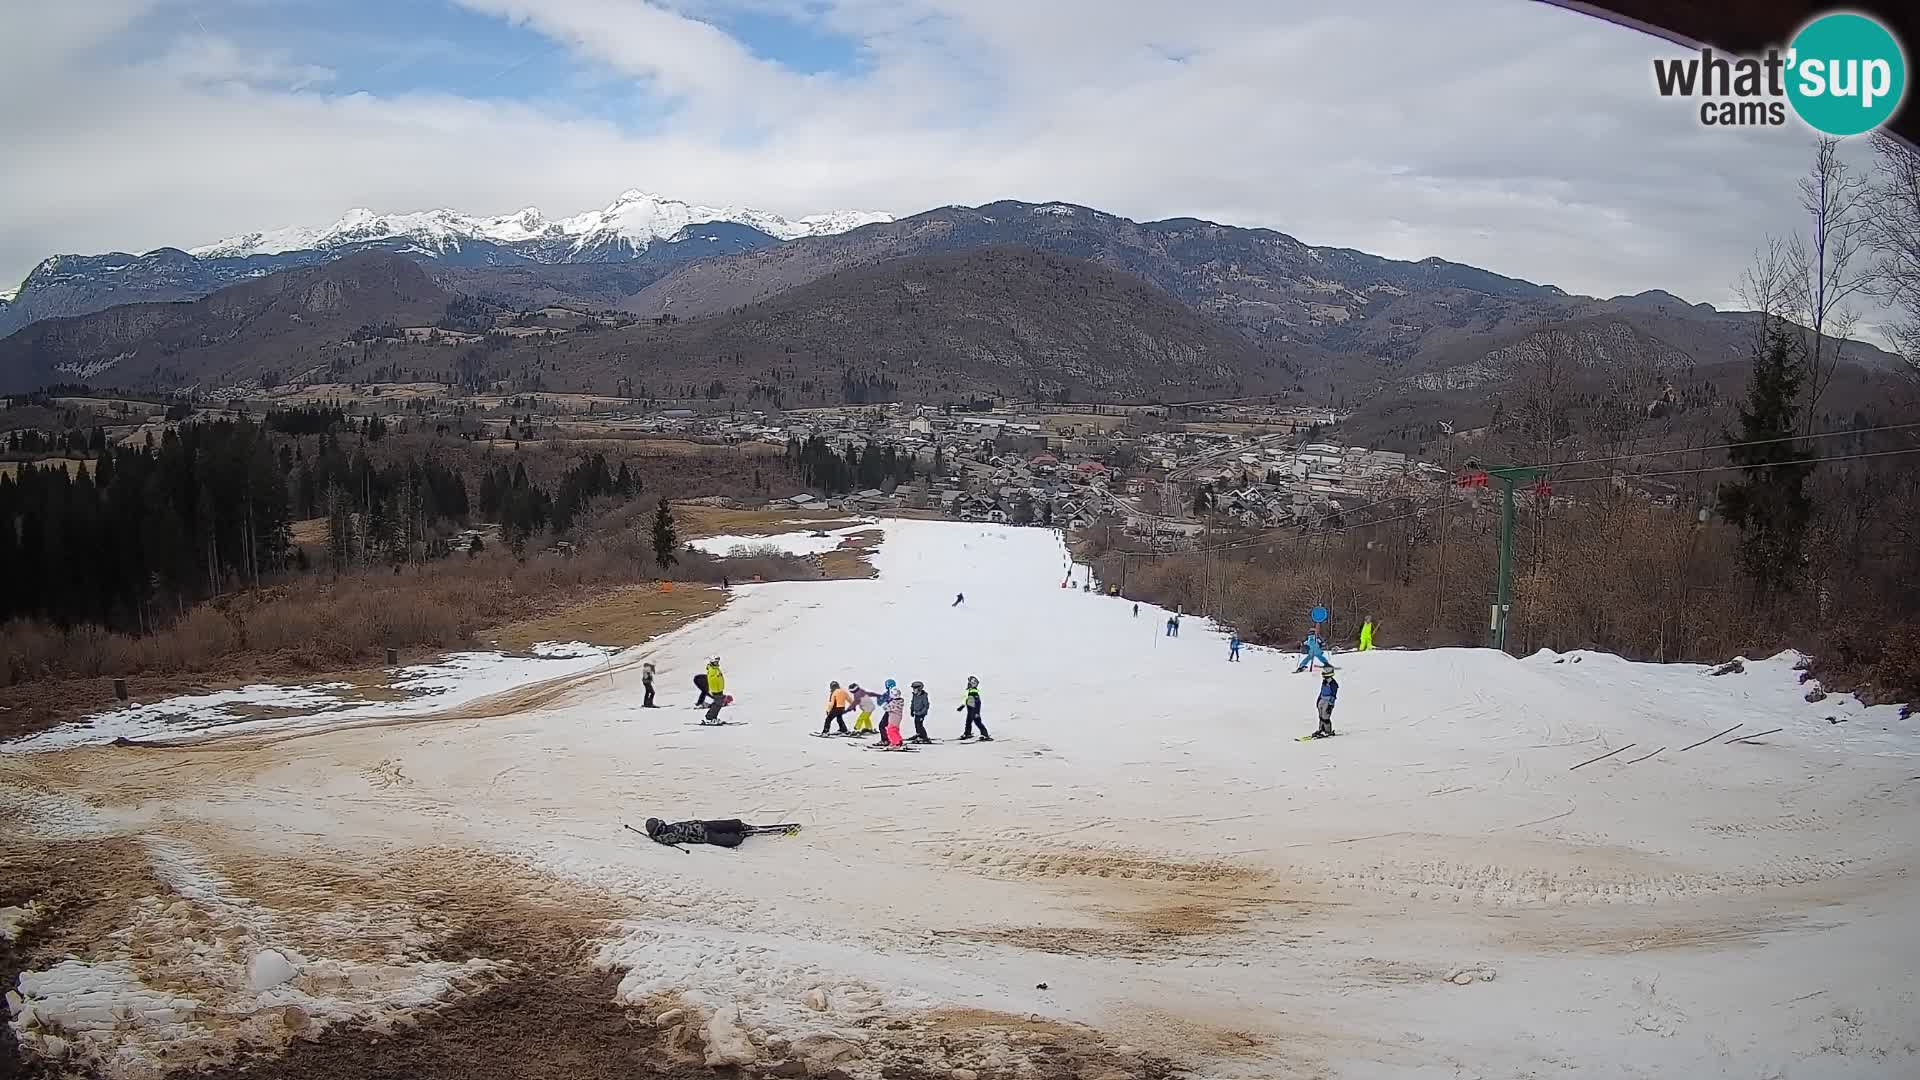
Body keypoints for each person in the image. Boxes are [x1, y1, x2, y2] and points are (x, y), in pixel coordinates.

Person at [642, 817, 796, 850]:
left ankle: (740, 826)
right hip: (704, 834)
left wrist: (654, 837)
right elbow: (666, 840)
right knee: (729, 840)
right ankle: (741, 834)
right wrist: (656, 838)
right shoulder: (669, 836)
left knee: (728, 824)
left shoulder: (669, 831)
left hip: (703, 826)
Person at [957, 675, 992, 741]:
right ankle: (968, 733)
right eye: (968, 683)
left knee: (977, 721)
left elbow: (977, 703)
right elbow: (966, 699)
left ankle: (985, 734)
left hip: (974, 710)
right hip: (970, 710)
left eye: (970, 683)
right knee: (968, 721)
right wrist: (962, 706)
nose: (968, 684)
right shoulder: (969, 692)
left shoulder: (973, 693)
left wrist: (976, 712)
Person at [1312, 668, 1339, 738]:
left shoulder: (1333, 684)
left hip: (1328, 701)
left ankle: (1328, 731)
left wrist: (1330, 705)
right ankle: (1321, 729)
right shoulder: (1324, 681)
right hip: (1322, 699)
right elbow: (1322, 691)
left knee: (1325, 716)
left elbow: (1333, 695)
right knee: (1321, 716)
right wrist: (1319, 699)